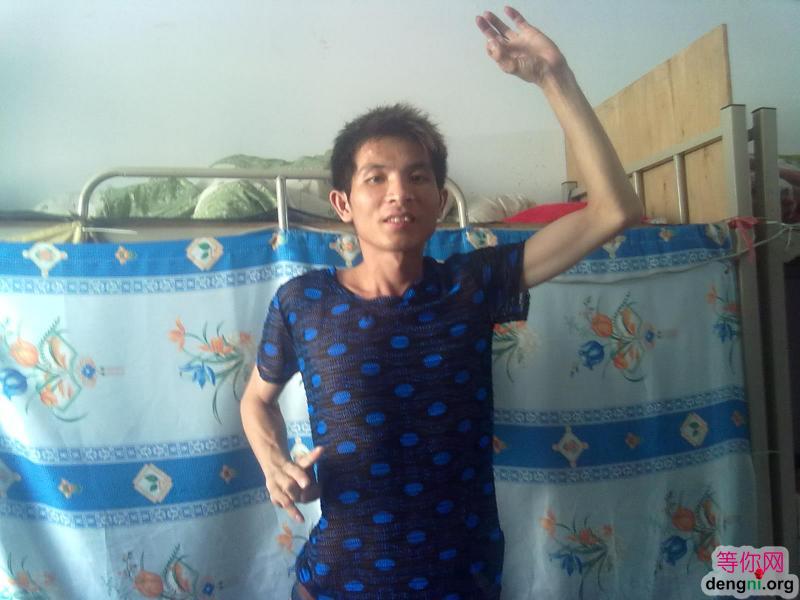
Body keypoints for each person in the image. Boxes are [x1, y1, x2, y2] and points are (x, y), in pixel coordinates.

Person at [240, 6, 642, 599]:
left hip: (461, 577)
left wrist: (553, 76)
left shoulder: (473, 285)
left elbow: (614, 210)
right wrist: (274, 461)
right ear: (343, 203)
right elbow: (256, 400)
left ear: (438, 200)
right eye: (376, 177)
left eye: (418, 177)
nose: (399, 192)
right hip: (337, 579)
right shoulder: (303, 302)